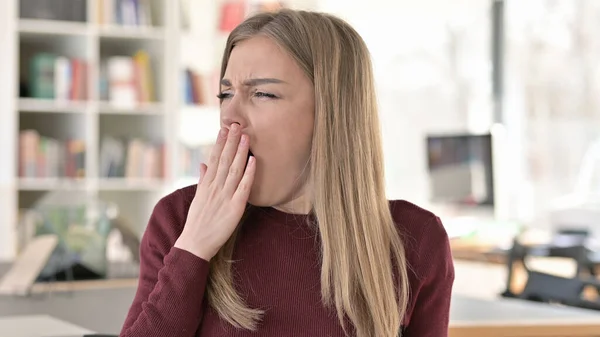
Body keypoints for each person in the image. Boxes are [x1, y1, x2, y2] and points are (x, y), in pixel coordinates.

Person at [120, 8, 454, 337]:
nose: (228, 115)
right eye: (225, 94)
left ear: (331, 113)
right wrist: (193, 247)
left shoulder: (417, 241)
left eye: (262, 93)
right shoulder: (179, 219)